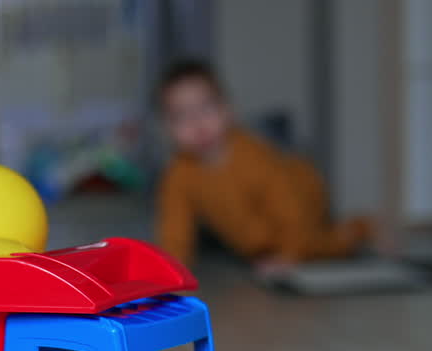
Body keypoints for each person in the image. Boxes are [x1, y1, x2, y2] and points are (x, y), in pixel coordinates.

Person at [155, 59, 373, 273]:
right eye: (181, 115)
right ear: (167, 128)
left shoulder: (253, 157)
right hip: (259, 238)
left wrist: (290, 256)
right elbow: (175, 231)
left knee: (319, 245)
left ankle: (357, 229)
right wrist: (169, 270)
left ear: (228, 110)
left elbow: (291, 212)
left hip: (301, 190)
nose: (197, 123)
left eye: (206, 108)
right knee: (263, 249)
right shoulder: (179, 173)